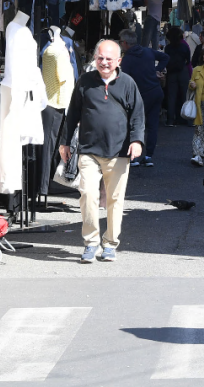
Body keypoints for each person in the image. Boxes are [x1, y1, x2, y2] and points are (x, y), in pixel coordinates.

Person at [59, 40, 145, 263]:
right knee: (87, 194)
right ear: (95, 59)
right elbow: (73, 113)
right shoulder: (85, 81)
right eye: (100, 58)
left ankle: (110, 243)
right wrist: (65, 143)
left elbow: (137, 116)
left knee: (115, 199)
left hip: (118, 152)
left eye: (109, 58)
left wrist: (137, 141)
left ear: (118, 61)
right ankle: (91, 242)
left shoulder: (128, 83)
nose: (104, 62)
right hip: (89, 150)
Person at [119, 29, 168, 167]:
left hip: (140, 95)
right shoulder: (147, 51)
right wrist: (157, 70)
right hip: (156, 91)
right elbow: (165, 57)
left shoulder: (127, 59)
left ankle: (134, 157)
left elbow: (125, 80)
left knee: (136, 125)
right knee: (152, 126)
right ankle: (148, 156)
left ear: (125, 43)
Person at [163, 27, 193, 127]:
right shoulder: (184, 46)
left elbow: (165, 60)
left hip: (171, 72)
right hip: (183, 71)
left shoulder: (168, 47)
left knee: (171, 97)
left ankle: (170, 120)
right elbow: (188, 60)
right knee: (185, 95)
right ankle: (188, 119)